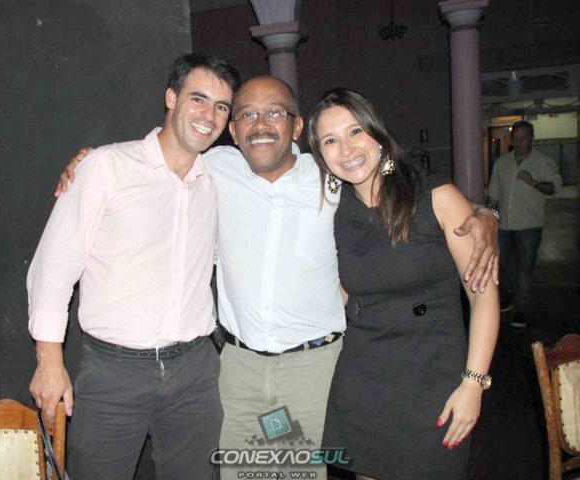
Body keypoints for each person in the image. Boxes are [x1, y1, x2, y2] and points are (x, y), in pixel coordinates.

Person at [56, 76, 499, 480]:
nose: (261, 124)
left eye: (275, 112)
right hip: (241, 369)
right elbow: (155, 161)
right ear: (232, 131)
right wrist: (89, 162)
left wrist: (486, 214)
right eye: (247, 114)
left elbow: (412, 191)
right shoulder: (214, 169)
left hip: (317, 368)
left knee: (297, 474)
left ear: (297, 126)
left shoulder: (328, 182)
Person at [27, 53, 240, 480]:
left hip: (195, 372)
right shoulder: (106, 167)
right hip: (113, 373)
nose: (209, 115)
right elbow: (53, 266)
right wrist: (49, 361)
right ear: (171, 97)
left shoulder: (219, 179)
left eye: (221, 106)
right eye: (198, 99)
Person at [307, 87, 500, 480]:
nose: (346, 149)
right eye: (330, 140)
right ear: (321, 156)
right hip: (364, 377)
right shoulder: (333, 210)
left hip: (433, 376)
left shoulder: (434, 196)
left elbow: (483, 298)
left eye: (355, 131)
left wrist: (474, 384)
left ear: (378, 135)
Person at [488, 120, 562, 328]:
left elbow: (555, 188)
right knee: (503, 266)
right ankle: (508, 297)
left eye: (524, 138)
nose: (519, 142)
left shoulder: (543, 162)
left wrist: (534, 182)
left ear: (531, 139)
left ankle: (520, 310)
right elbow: (494, 194)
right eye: (516, 138)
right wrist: (490, 217)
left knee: (525, 269)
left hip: (529, 225)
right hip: (504, 225)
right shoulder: (502, 163)